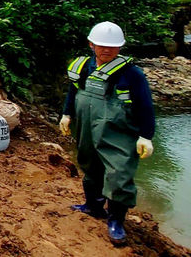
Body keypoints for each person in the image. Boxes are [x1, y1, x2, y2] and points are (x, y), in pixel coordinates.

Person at [59, 21, 155, 245]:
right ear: (91, 44)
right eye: (102, 45)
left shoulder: (132, 74)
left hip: (118, 131)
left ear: (120, 48)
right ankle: (93, 206)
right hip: (87, 126)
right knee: (89, 164)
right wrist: (66, 114)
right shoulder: (82, 67)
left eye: (112, 47)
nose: (107, 50)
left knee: (119, 173)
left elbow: (145, 106)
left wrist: (146, 136)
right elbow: (73, 92)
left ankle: (116, 221)